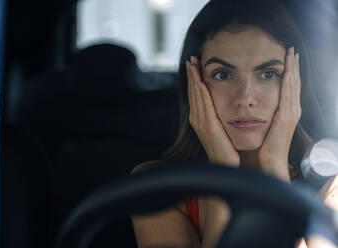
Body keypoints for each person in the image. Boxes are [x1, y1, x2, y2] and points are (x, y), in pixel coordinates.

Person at [131, 0, 338, 247]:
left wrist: (274, 168)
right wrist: (223, 171)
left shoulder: (330, 183)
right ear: (195, 84)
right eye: (223, 74)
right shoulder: (158, 185)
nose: (246, 98)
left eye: (268, 74)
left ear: (295, 83)